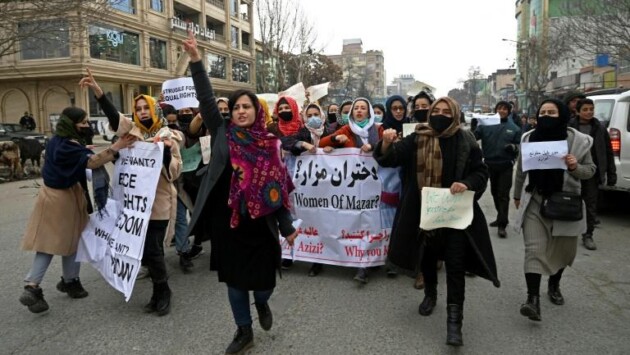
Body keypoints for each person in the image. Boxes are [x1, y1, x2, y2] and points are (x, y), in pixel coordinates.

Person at [182, 32, 297, 354]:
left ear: (257, 111)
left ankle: (261, 303)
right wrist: (195, 60)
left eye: (247, 106)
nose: (241, 111)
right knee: (234, 282)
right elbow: (206, 98)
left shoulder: (270, 145)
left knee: (264, 284)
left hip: (260, 225)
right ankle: (243, 330)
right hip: (227, 221)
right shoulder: (222, 132)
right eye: (236, 107)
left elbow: (277, 190)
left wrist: (287, 227)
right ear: (230, 113)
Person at [374, 97, 499, 346]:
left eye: (446, 111)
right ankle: (430, 294)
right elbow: (391, 158)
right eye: (436, 111)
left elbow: (480, 172)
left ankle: (454, 323)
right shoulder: (418, 137)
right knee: (428, 259)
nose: (440, 115)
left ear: (455, 115)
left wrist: (466, 184)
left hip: (455, 215)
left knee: (455, 265)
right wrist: (386, 144)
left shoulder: (466, 140)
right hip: (424, 212)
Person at [80, 69, 183, 317]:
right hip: (134, 206)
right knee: (144, 251)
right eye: (138, 109)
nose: (142, 113)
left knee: (153, 250)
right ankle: (159, 292)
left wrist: (166, 153)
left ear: (154, 110)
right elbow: (114, 117)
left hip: (158, 205)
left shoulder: (167, 135)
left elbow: (176, 172)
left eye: (146, 108)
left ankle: (163, 291)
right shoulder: (131, 133)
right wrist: (98, 92)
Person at [19, 107, 135, 313]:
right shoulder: (68, 146)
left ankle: (70, 281)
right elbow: (91, 162)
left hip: (52, 195)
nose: (86, 126)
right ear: (70, 124)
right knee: (55, 243)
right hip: (63, 198)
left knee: (70, 239)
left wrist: (83, 149)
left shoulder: (57, 141)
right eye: (82, 122)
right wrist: (117, 146)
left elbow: (77, 155)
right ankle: (33, 285)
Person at [513, 98, 596, 322]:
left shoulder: (578, 141)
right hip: (535, 200)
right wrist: (517, 194)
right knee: (534, 249)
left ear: (561, 114)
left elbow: (590, 171)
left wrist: (574, 166)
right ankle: (532, 299)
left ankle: (554, 284)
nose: (547, 116)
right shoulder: (529, 138)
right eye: (543, 112)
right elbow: (521, 169)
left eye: (552, 112)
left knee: (563, 250)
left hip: (565, 203)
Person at [319, 97, 384, 284]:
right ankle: (359, 263)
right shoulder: (346, 129)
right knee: (354, 223)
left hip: (374, 185)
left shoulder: (378, 129)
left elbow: (388, 147)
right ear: (351, 112)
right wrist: (333, 140)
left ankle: (371, 259)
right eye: (356, 108)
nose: (359, 111)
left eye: (363, 108)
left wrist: (374, 146)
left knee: (371, 222)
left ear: (369, 112)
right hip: (351, 187)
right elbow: (321, 143)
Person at [281, 102, 332, 277]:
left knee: (320, 221)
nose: (313, 118)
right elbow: (285, 142)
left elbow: (344, 144)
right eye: (309, 115)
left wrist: (333, 146)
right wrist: (303, 144)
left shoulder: (330, 131)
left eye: (315, 114)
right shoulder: (302, 133)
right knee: (298, 218)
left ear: (322, 115)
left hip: (327, 188)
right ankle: (289, 254)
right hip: (305, 189)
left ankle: (317, 260)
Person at [568, 98, 616, 250]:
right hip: (572, 171)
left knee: (590, 204)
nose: (589, 112)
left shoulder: (600, 128)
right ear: (578, 111)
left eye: (591, 109)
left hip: (592, 173)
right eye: (585, 109)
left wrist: (611, 173)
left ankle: (588, 235)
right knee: (570, 201)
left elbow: (608, 151)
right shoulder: (569, 127)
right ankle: (568, 232)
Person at [472, 101, 522, 238]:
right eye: (499, 108)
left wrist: (514, 148)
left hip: (506, 165)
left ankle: (502, 224)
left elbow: (520, 146)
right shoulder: (487, 124)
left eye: (505, 109)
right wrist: (474, 126)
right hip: (489, 164)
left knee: (503, 194)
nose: (502, 111)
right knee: (494, 192)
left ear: (509, 111)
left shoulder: (514, 128)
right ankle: (500, 216)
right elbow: (473, 138)